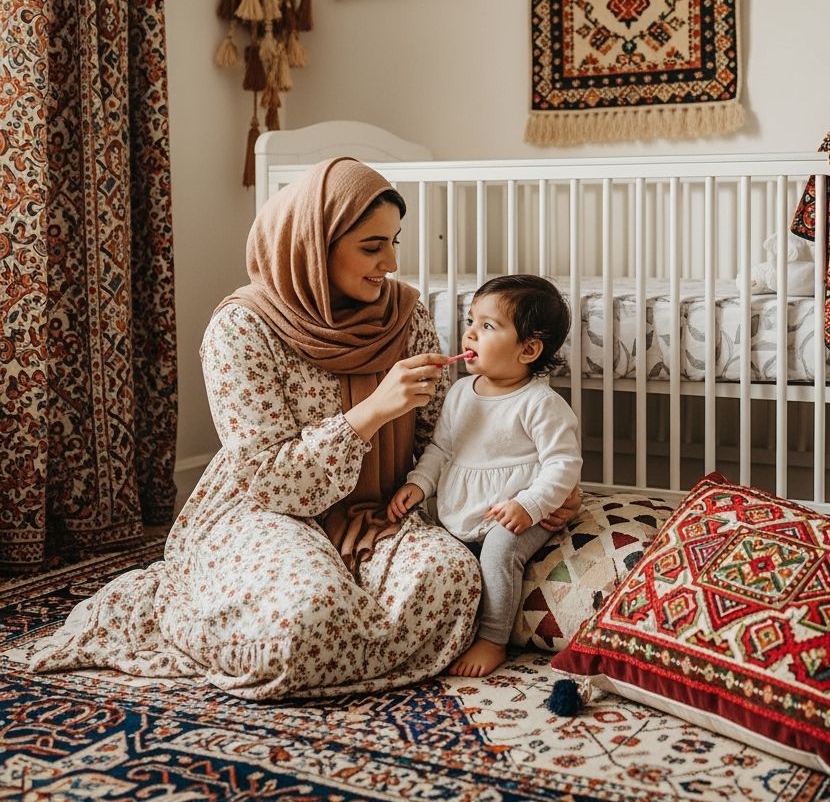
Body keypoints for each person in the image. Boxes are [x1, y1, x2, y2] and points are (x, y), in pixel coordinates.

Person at [27, 159, 581, 699]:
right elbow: (271, 479)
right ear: (315, 243)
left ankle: (338, 627)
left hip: (378, 511)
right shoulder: (242, 326)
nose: (390, 262)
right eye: (371, 246)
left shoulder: (404, 314)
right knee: (302, 622)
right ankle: (210, 612)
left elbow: (444, 441)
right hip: (267, 510)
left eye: (394, 241)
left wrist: (536, 495)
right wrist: (370, 413)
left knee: (453, 580)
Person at [388, 275, 583, 677]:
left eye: (488, 326)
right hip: (462, 507)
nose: (470, 333)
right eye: (471, 320)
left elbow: (562, 465)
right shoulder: (460, 392)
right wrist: (418, 484)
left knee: (498, 552)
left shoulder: (541, 403)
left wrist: (528, 506)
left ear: (528, 349)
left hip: (517, 513)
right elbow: (441, 450)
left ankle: (493, 638)